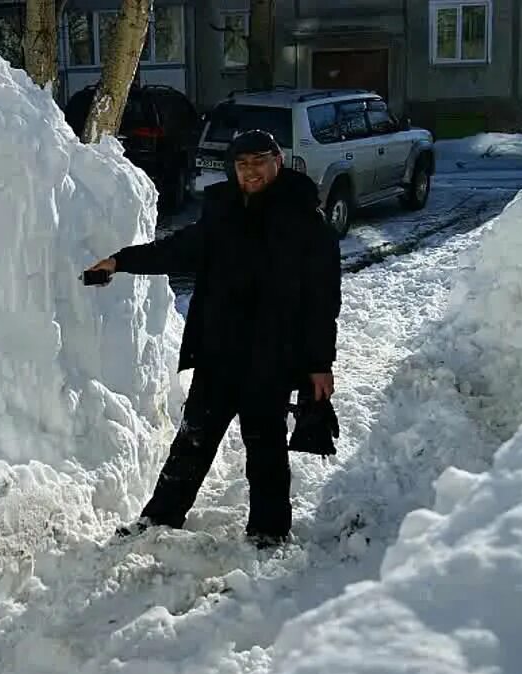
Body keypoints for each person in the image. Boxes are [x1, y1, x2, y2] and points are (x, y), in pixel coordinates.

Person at [84, 129, 342, 548]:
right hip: (219, 353)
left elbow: (322, 300)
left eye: (259, 161)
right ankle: (161, 517)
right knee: (192, 441)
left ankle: (269, 530)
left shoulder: (306, 221)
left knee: (266, 447)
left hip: (271, 356)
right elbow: (178, 249)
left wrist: (320, 364)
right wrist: (120, 261)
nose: (251, 171)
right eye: (242, 164)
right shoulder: (222, 212)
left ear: (278, 160)